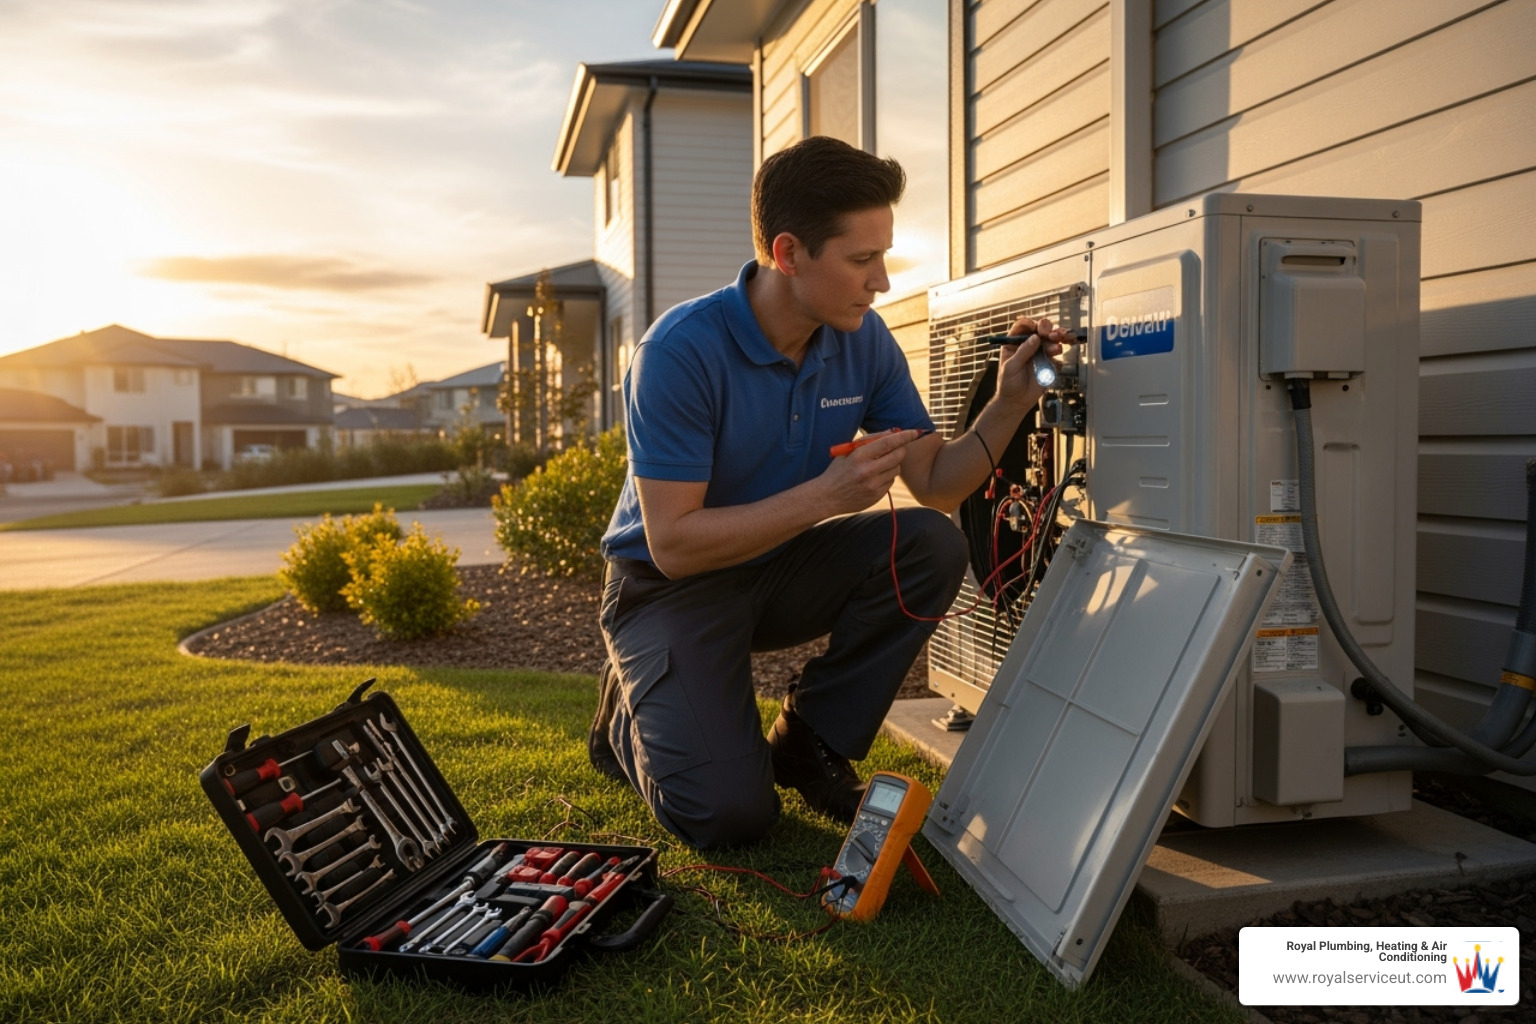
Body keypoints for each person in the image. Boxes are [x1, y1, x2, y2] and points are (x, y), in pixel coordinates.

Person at [589, 135, 1073, 849]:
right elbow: (674, 545)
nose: (882, 282)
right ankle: (625, 717)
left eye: (884, 256)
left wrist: (1008, 404)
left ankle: (809, 741)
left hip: (777, 565)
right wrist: (825, 497)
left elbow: (937, 486)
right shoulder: (678, 353)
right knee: (730, 816)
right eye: (861, 259)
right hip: (669, 587)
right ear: (789, 254)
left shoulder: (863, 341)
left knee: (931, 545)